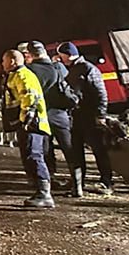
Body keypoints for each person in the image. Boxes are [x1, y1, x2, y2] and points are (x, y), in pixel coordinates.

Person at [56, 41, 114, 196]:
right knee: (76, 150)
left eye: (61, 56)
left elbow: (101, 93)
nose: (60, 59)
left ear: (67, 55)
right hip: (76, 116)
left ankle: (106, 182)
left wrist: (100, 115)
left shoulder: (88, 69)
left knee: (98, 149)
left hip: (90, 116)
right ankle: (78, 181)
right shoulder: (71, 69)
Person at [23, 40, 81, 193]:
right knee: (69, 149)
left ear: (30, 54)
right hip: (60, 114)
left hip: (41, 116)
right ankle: (77, 185)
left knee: (44, 150)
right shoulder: (58, 67)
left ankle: (48, 181)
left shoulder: (29, 70)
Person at [3, 48, 54, 208]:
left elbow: (29, 97)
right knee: (30, 156)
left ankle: (44, 194)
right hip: (29, 123)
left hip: (33, 124)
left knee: (34, 155)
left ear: (12, 61)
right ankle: (40, 191)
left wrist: (25, 119)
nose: (2, 63)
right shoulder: (17, 75)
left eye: (4, 60)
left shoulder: (22, 75)